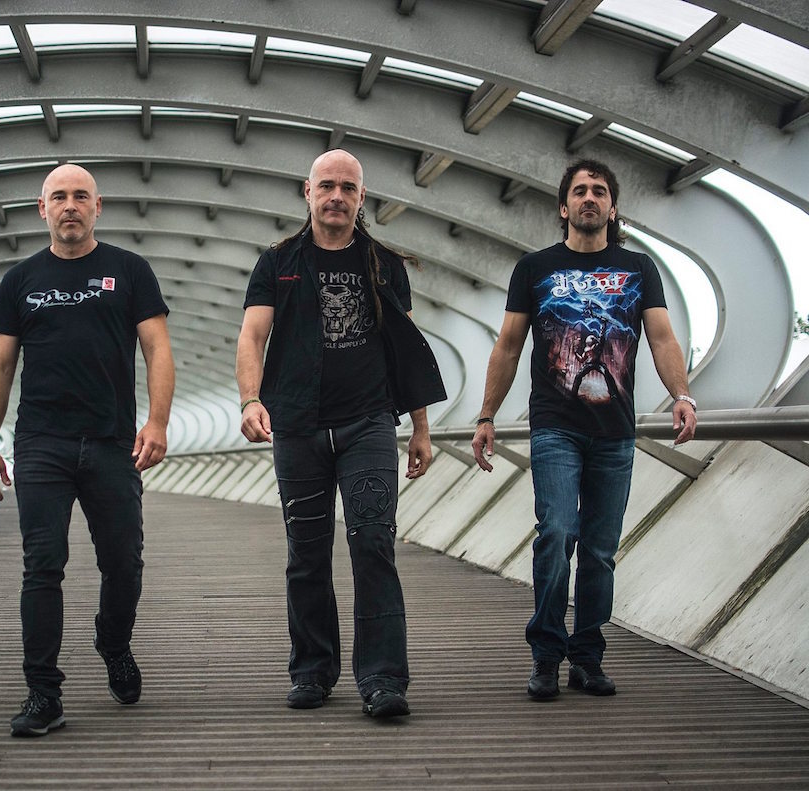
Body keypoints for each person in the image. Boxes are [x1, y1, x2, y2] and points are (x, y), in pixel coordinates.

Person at [470, 159, 697, 701]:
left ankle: (588, 657)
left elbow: (662, 338)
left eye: (599, 191)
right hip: (555, 426)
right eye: (579, 191)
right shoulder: (535, 268)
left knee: (599, 550)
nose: (589, 198)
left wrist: (682, 395)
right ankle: (547, 655)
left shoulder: (638, 268)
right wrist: (486, 415)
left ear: (612, 208)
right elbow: (508, 346)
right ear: (563, 206)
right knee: (556, 534)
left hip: (615, 431)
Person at [235, 149, 447, 718]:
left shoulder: (383, 266)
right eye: (326, 185)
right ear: (307, 192)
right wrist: (251, 399)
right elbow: (252, 336)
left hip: (368, 423)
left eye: (347, 188)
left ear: (361, 198)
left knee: (373, 543)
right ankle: (312, 671)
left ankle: (383, 678)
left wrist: (420, 428)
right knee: (306, 552)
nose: (336, 196)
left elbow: (406, 349)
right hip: (296, 425)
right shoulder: (278, 262)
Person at [0, 164, 175, 737]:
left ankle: (113, 642)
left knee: (124, 562)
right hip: (41, 443)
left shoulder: (129, 270)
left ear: (97, 207)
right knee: (42, 565)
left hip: (112, 441)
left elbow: (157, 350)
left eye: (81, 196)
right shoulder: (20, 280)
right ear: (42, 209)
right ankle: (43, 694)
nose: (70, 205)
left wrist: (157, 421)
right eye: (59, 197)